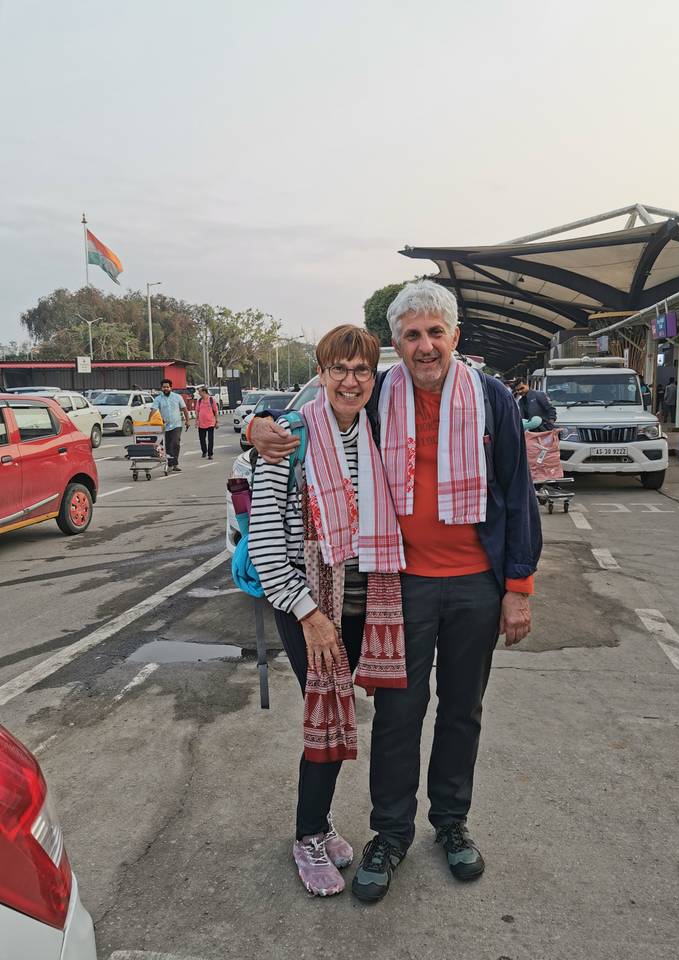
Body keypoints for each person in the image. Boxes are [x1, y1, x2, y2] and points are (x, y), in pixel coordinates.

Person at [250, 280, 541, 903]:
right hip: (401, 584)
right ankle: (390, 832)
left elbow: (518, 495)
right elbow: (319, 411)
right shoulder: (381, 395)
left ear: (455, 336)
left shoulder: (492, 400)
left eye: (436, 332)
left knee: (463, 708)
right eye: (412, 335)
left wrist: (518, 586)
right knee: (399, 714)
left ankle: (451, 822)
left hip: (475, 585)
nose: (426, 345)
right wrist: (257, 425)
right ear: (398, 347)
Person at [248, 325, 406, 898]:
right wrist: (309, 613)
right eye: (338, 369)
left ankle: (321, 824)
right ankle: (307, 834)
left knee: (344, 717)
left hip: (368, 599)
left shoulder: (382, 429)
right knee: (328, 713)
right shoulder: (288, 437)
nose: (350, 380)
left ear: (374, 376)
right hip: (310, 604)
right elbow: (265, 541)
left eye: (361, 369)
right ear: (320, 373)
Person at [151, 378, 190, 472]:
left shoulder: (177, 397)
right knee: (168, 445)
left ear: (171, 387)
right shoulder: (158, 399)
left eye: (167, 387)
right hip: (165, 426)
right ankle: (171, 464)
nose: (166, 389)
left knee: (175, 443)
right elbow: (153, 411)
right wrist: (150, 422)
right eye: (164, 387)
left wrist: (187, 421)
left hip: (176, 424)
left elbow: (184, 409)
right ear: (161, 388)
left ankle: (174, 464)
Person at [195, 386, 219, 459]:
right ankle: (204, 451)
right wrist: (196, 420)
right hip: (201, 423)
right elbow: (197, 411)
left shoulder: (211, 400)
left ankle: (210, 454)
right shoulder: (199, 401)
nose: (199, 393)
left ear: (204, 392)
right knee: (202, 439)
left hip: (210, 423)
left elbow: (216, 411)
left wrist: (217, 422)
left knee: (210, 439)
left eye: (199, 392)